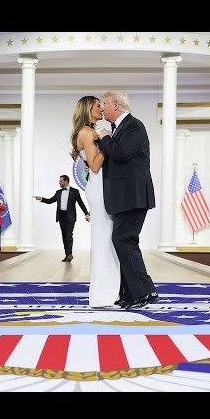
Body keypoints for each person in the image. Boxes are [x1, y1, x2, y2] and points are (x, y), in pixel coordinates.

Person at [97, 91, 157, 309]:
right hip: (126, 197)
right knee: (125, 240)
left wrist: (104, 138)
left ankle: (143, 292)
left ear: (116, 105)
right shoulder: (121, 127)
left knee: (124, 240)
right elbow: (119, 160)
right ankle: (136, 292)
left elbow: (121, 153)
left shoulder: (133, 126)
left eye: (104, 103)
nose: (102, 108)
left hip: (133, 196)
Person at [71, 96, 121, 307]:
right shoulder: (88, 133)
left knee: (106, 237)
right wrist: (107, 140)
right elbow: (94, 165)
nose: (101, 108)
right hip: (99, 186)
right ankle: (103, 294)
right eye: (97, 105)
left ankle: (109, 291)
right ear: (87, 108)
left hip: (100, 186)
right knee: (103, 238)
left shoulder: (86, 132)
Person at [34, 175, 90, 262]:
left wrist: (86, 214)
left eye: (61, 181)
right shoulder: (58, 192)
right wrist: (41, 199)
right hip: (61, 216)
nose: (59, 183)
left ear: (66, 181)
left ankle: (70, 254)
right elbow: (50, 201)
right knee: (64, 236)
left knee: (68, 235)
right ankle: (67, 255)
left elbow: (80, 203)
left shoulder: (75, 191)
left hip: (70, 216)